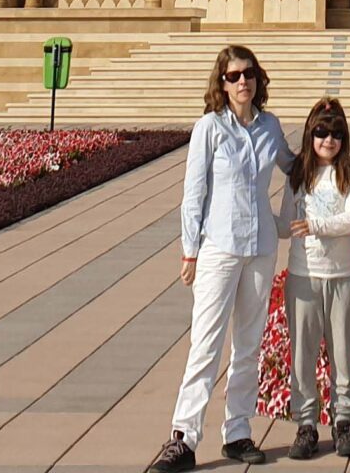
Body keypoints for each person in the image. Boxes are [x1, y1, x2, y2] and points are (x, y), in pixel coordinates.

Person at [149, 45, 286, 473]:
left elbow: (296, 169)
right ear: (222, 83)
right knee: (206, 345)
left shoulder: (270, 127)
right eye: (233, 76)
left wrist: (333, 152)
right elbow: (194, 195)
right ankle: (184, 437)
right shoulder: (209, 128)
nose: (242, 82)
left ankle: (238, 431)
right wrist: (189, 250)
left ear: (258, 78)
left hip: (261, 247)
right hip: (218, 249)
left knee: (248, 344)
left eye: (248, 74)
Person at [284, 97, 350, 461]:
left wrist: (317, 225)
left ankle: (344, 420)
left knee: (342, 355)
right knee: (302, 355)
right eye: (320, 132)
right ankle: (306, 424)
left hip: (342, 276)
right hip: (304, 275)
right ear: (310, 133)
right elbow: (288, 223)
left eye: (335, 133)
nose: (328, 140)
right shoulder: (298, 174)